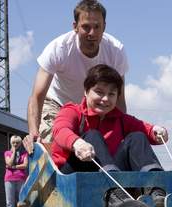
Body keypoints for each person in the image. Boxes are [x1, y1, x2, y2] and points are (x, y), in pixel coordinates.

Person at [50, 64, 167, 207]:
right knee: (93, 135)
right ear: (86, 92)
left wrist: (157, 131)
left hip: (111, 176)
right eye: (99, 92)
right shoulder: (73, 111)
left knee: (138, 136)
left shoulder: (120, 119)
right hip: (72, 176)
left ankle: (155, 189)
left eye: (111, 94)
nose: (105, 99)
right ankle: (114, 194)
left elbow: (146, 128)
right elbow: (60, 130)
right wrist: (77, 143)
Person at [24, 0, 129, 149]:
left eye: (97, 27)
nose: (91, 33)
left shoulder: (116, 51)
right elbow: (37, 96)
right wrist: (34, 133)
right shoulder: (59, 48)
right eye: (86, 27)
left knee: (102, 146)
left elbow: (119, 99)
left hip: (93, 107)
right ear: (75, 27)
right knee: (53, 144)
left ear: (104, 27)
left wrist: (121, 133)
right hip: (57, 103)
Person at [3, 135, 28, 207]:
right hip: (9, 180)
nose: (15, 144)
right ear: (11, 143)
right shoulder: (7, 153)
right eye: (13, 142)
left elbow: (25, 165)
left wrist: (14, 167)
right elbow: (9, 163)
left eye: (17, 142)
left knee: (22, 202)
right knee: (9, 203)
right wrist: (13, 152)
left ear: (20, 143)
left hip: (21, 179)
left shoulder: (24, 153)